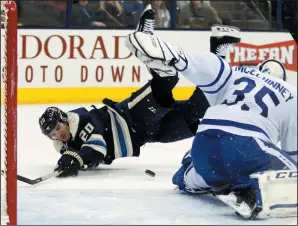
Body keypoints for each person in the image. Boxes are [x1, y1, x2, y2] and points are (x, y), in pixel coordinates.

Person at [125, 18, 297, 220]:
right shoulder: (291, 94)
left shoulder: (239, 73)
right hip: (245, 145)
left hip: (204, 146)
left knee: (194, 177)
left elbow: (210, 70)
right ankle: (248, 191)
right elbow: (292, 154)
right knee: (282, 174)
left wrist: (180, 58)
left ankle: (189, 175)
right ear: (283, 78)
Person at [39, 5, 210, 179]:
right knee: (197, 113)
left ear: (65, 120)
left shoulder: (79, 119)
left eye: (58, 127)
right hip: (149, 134)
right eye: (52, 133)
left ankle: (143, 39)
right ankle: (218, 58)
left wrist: (77, 159)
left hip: (131, 116)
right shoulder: (65, 146)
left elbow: (97, 146)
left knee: (167, 81)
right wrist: (73, 159)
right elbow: (86, 156)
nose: (58, 134)